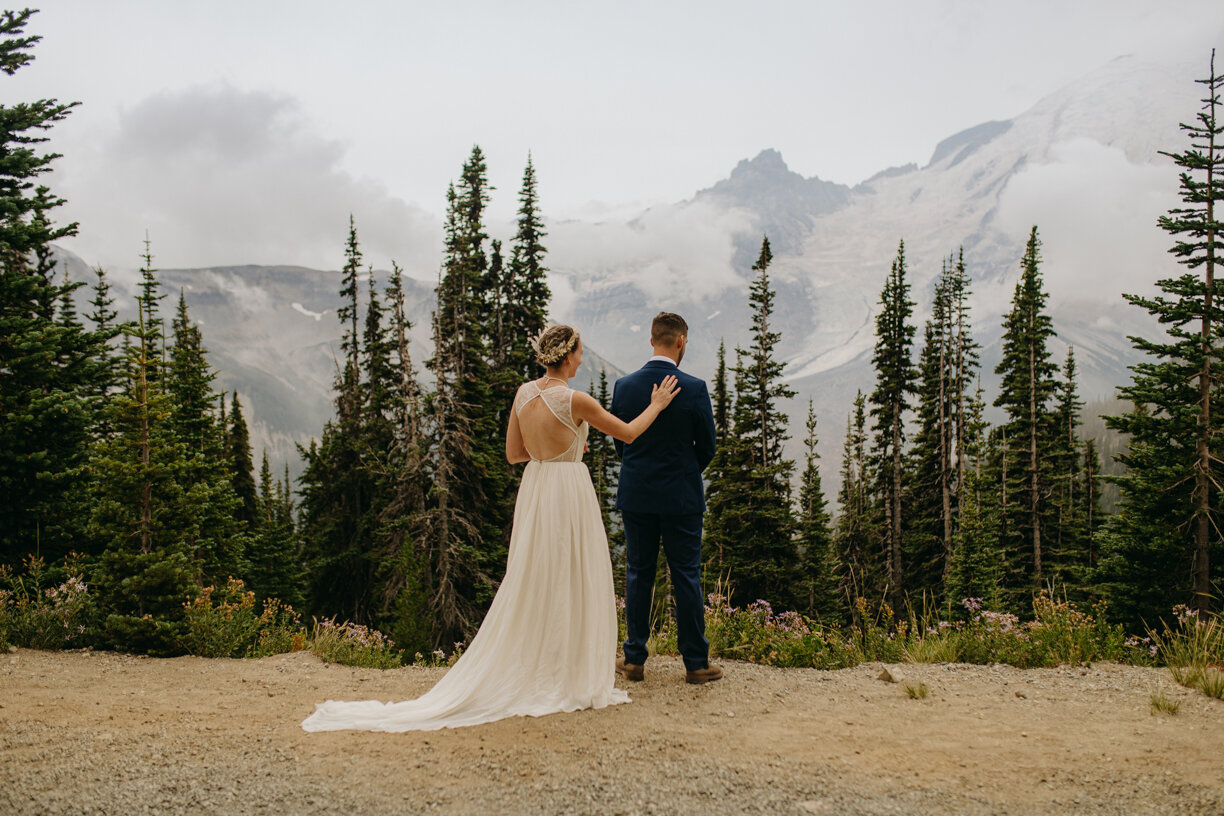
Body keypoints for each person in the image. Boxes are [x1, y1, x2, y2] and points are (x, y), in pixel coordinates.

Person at [301, 324, 679, 732]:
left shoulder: (523, 394)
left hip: (536, 489)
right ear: (568, 357)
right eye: (581, 353)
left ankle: (541, 663)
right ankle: (568, 669)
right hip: (568, 490)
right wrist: (656, 404)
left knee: (534, 576)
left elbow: (515, 454)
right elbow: (627, 433)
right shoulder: (575, 400)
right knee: (572, 575)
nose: (583, 359)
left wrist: (556, 446)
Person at [611, 312, 722, 684]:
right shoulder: (694, 388)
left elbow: (620, 444)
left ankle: (634, 660)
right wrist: (685, 474)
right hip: (682, 498)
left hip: (637, 495)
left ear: (652, 341)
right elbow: (707, 447)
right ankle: (695, 663)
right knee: (686, 576)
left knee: (639, 573)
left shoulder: (624, 387)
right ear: (680, 342)